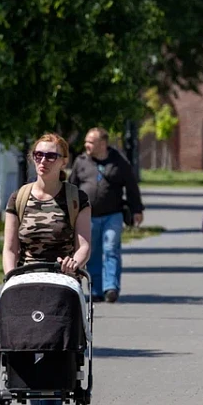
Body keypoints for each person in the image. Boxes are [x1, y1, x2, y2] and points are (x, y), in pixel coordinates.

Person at [3, 133, 92, 405]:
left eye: (51, 156)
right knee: (26, 351)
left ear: (63, 161)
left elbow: (84, 244)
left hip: (60, 285)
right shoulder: (19, 197)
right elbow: (10, 248)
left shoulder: (75, 197)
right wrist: (10, 279)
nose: (43, 160)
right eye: (38, 154)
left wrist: (75, 263)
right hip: (26, 284)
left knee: (55, 356)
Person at [68, 127, 143, 303]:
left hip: (113, 215)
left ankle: (111, 288)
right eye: (86, 141)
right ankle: (96, 289)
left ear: (102, 144)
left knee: (111, 249)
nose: (86, 145)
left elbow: (131, 186)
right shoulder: (81, 161)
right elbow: (71, 187)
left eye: (90, 142)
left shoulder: (119, 162)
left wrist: (137, 209)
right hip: (88, 216)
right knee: (92, 252)